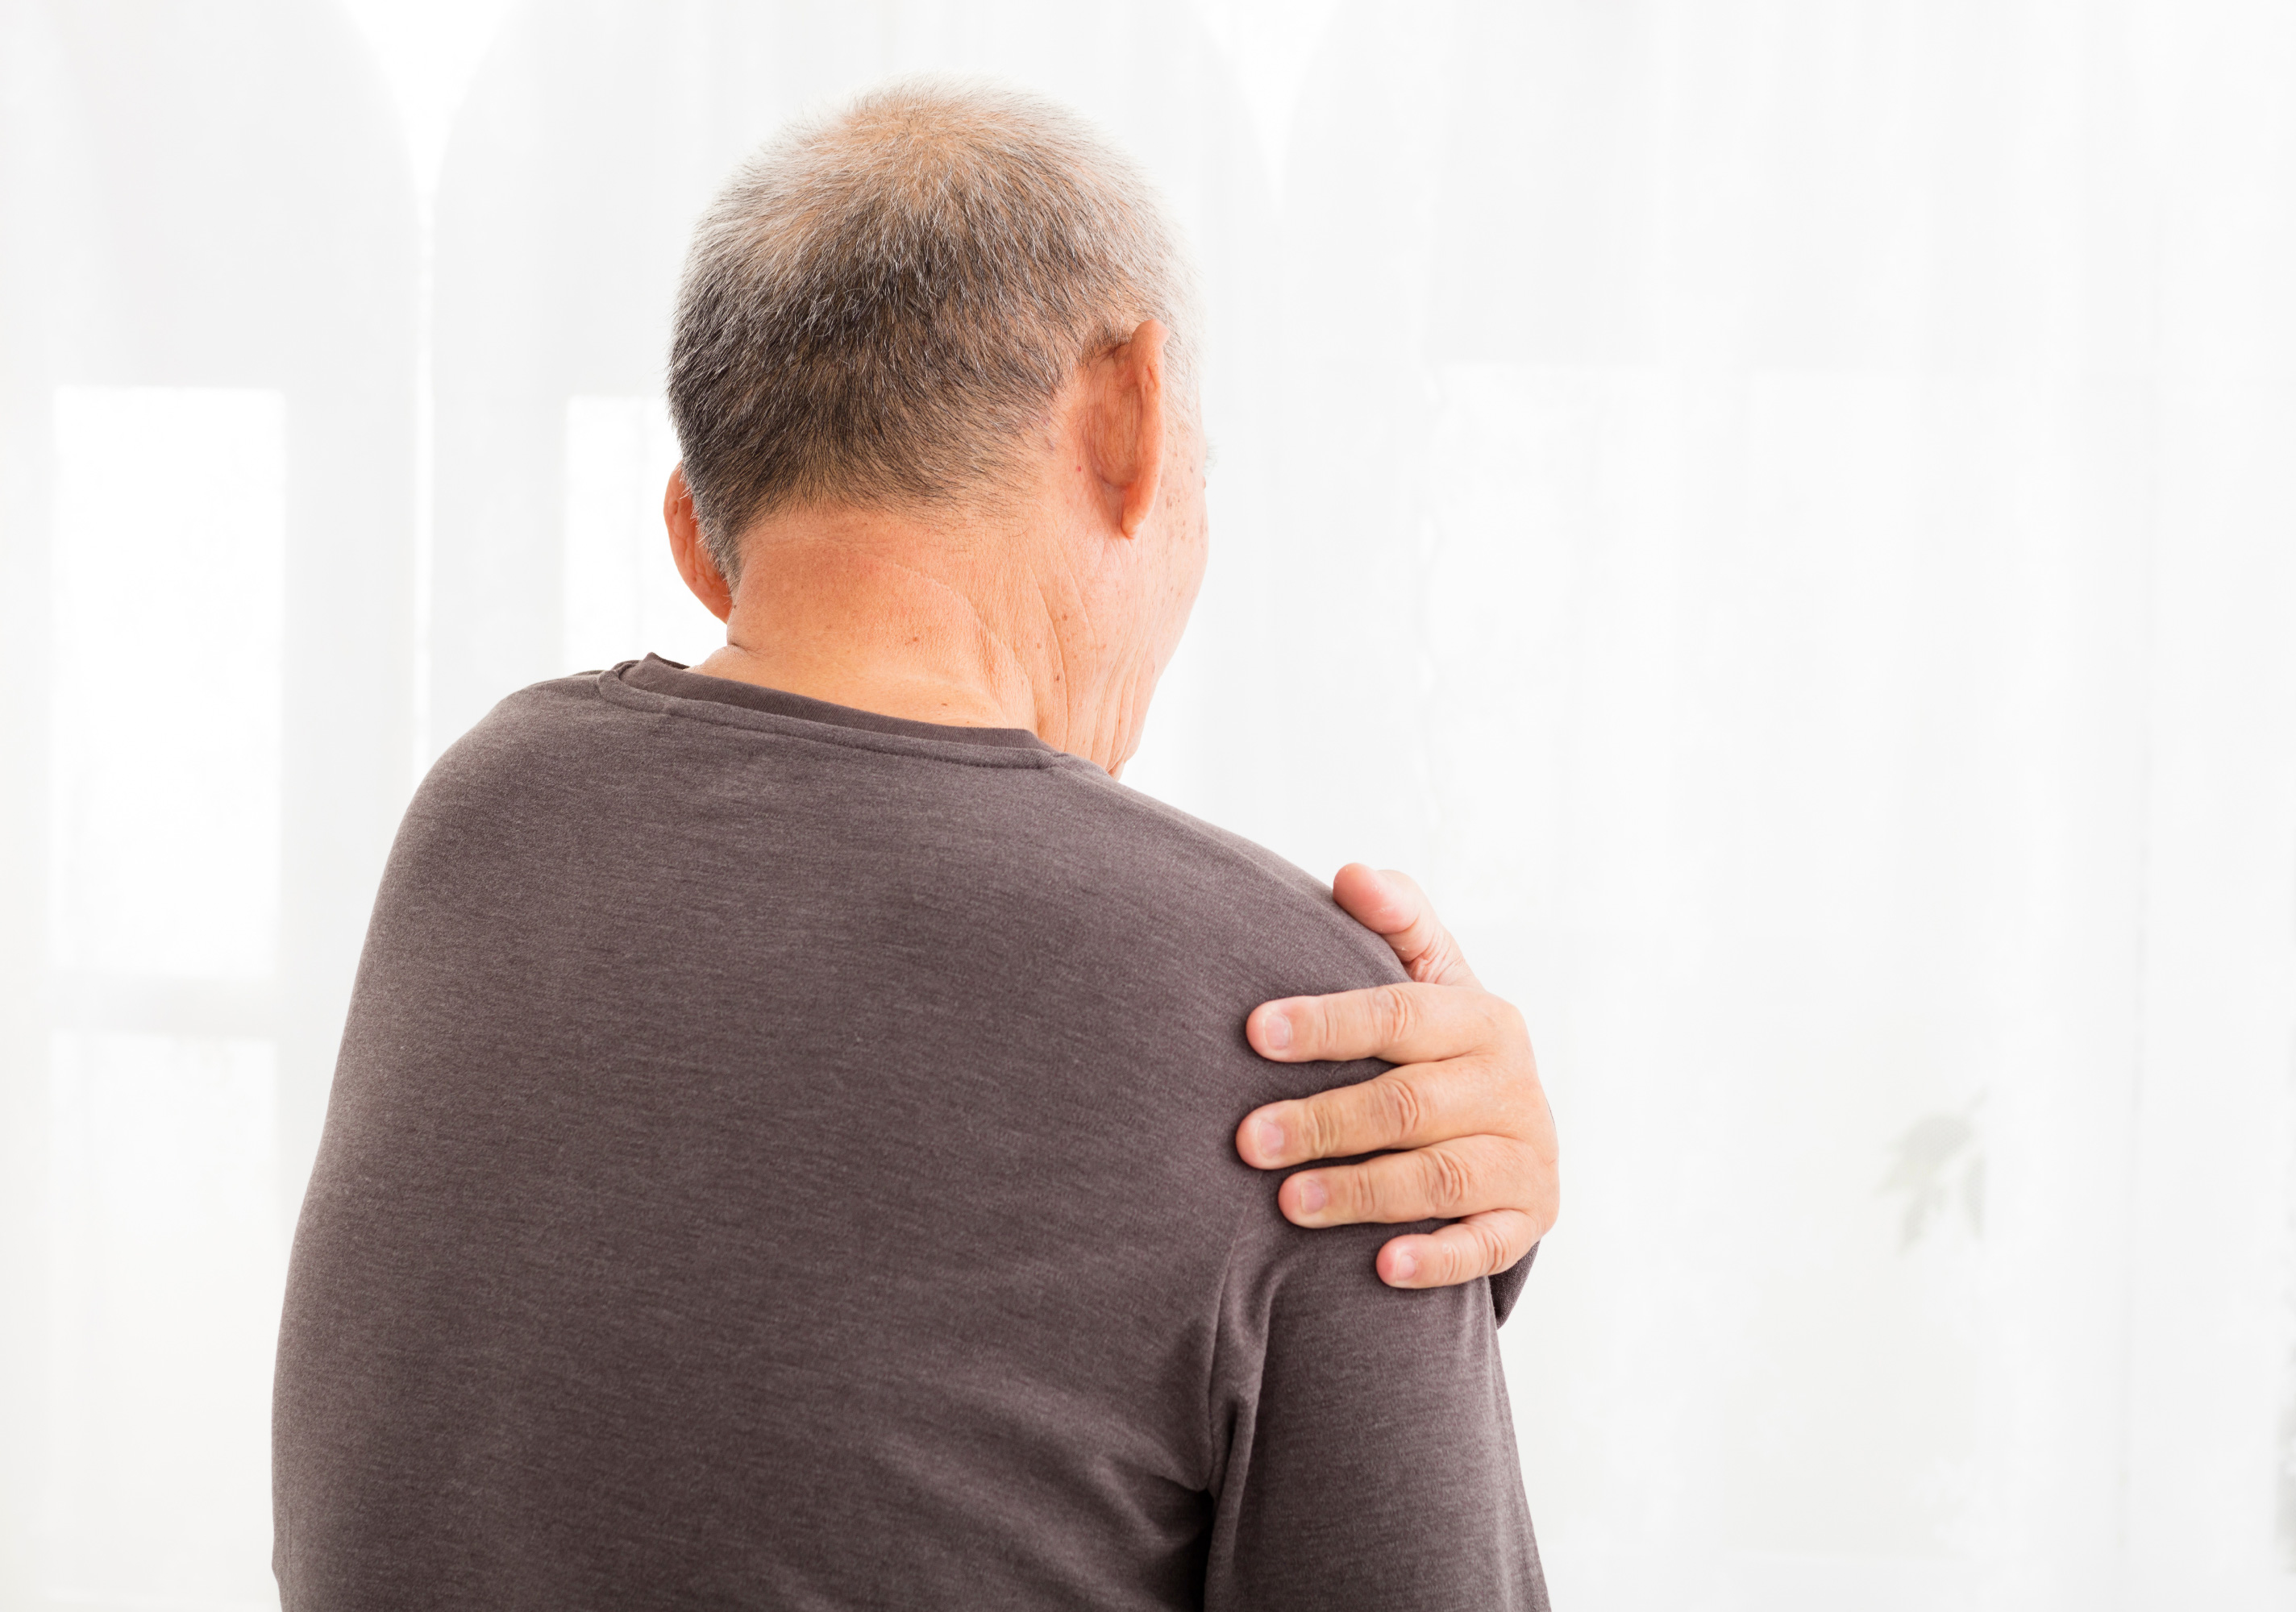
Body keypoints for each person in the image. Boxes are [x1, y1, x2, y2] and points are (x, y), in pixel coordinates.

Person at [273, 79, 1555, 1609]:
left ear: (696, 537)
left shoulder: (484, 822)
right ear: (1134, 417)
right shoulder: (1308, 1026)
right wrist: (1429, 1262)